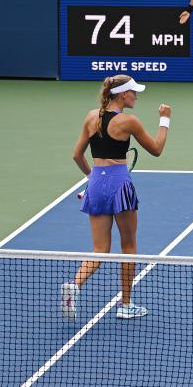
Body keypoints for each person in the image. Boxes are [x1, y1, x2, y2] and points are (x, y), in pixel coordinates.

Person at [61, 75, 171, 320]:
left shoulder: (91, 117)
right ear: (122, 95)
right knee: (128, 246)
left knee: (99, 249)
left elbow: (77, 155)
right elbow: (156, 149)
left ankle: (74, 285)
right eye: (133, 92)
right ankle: (126, 304)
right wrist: (165, 120)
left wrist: (92, 177)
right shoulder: (129, 121)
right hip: (119, 184)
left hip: (96, 184)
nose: (136, 96)